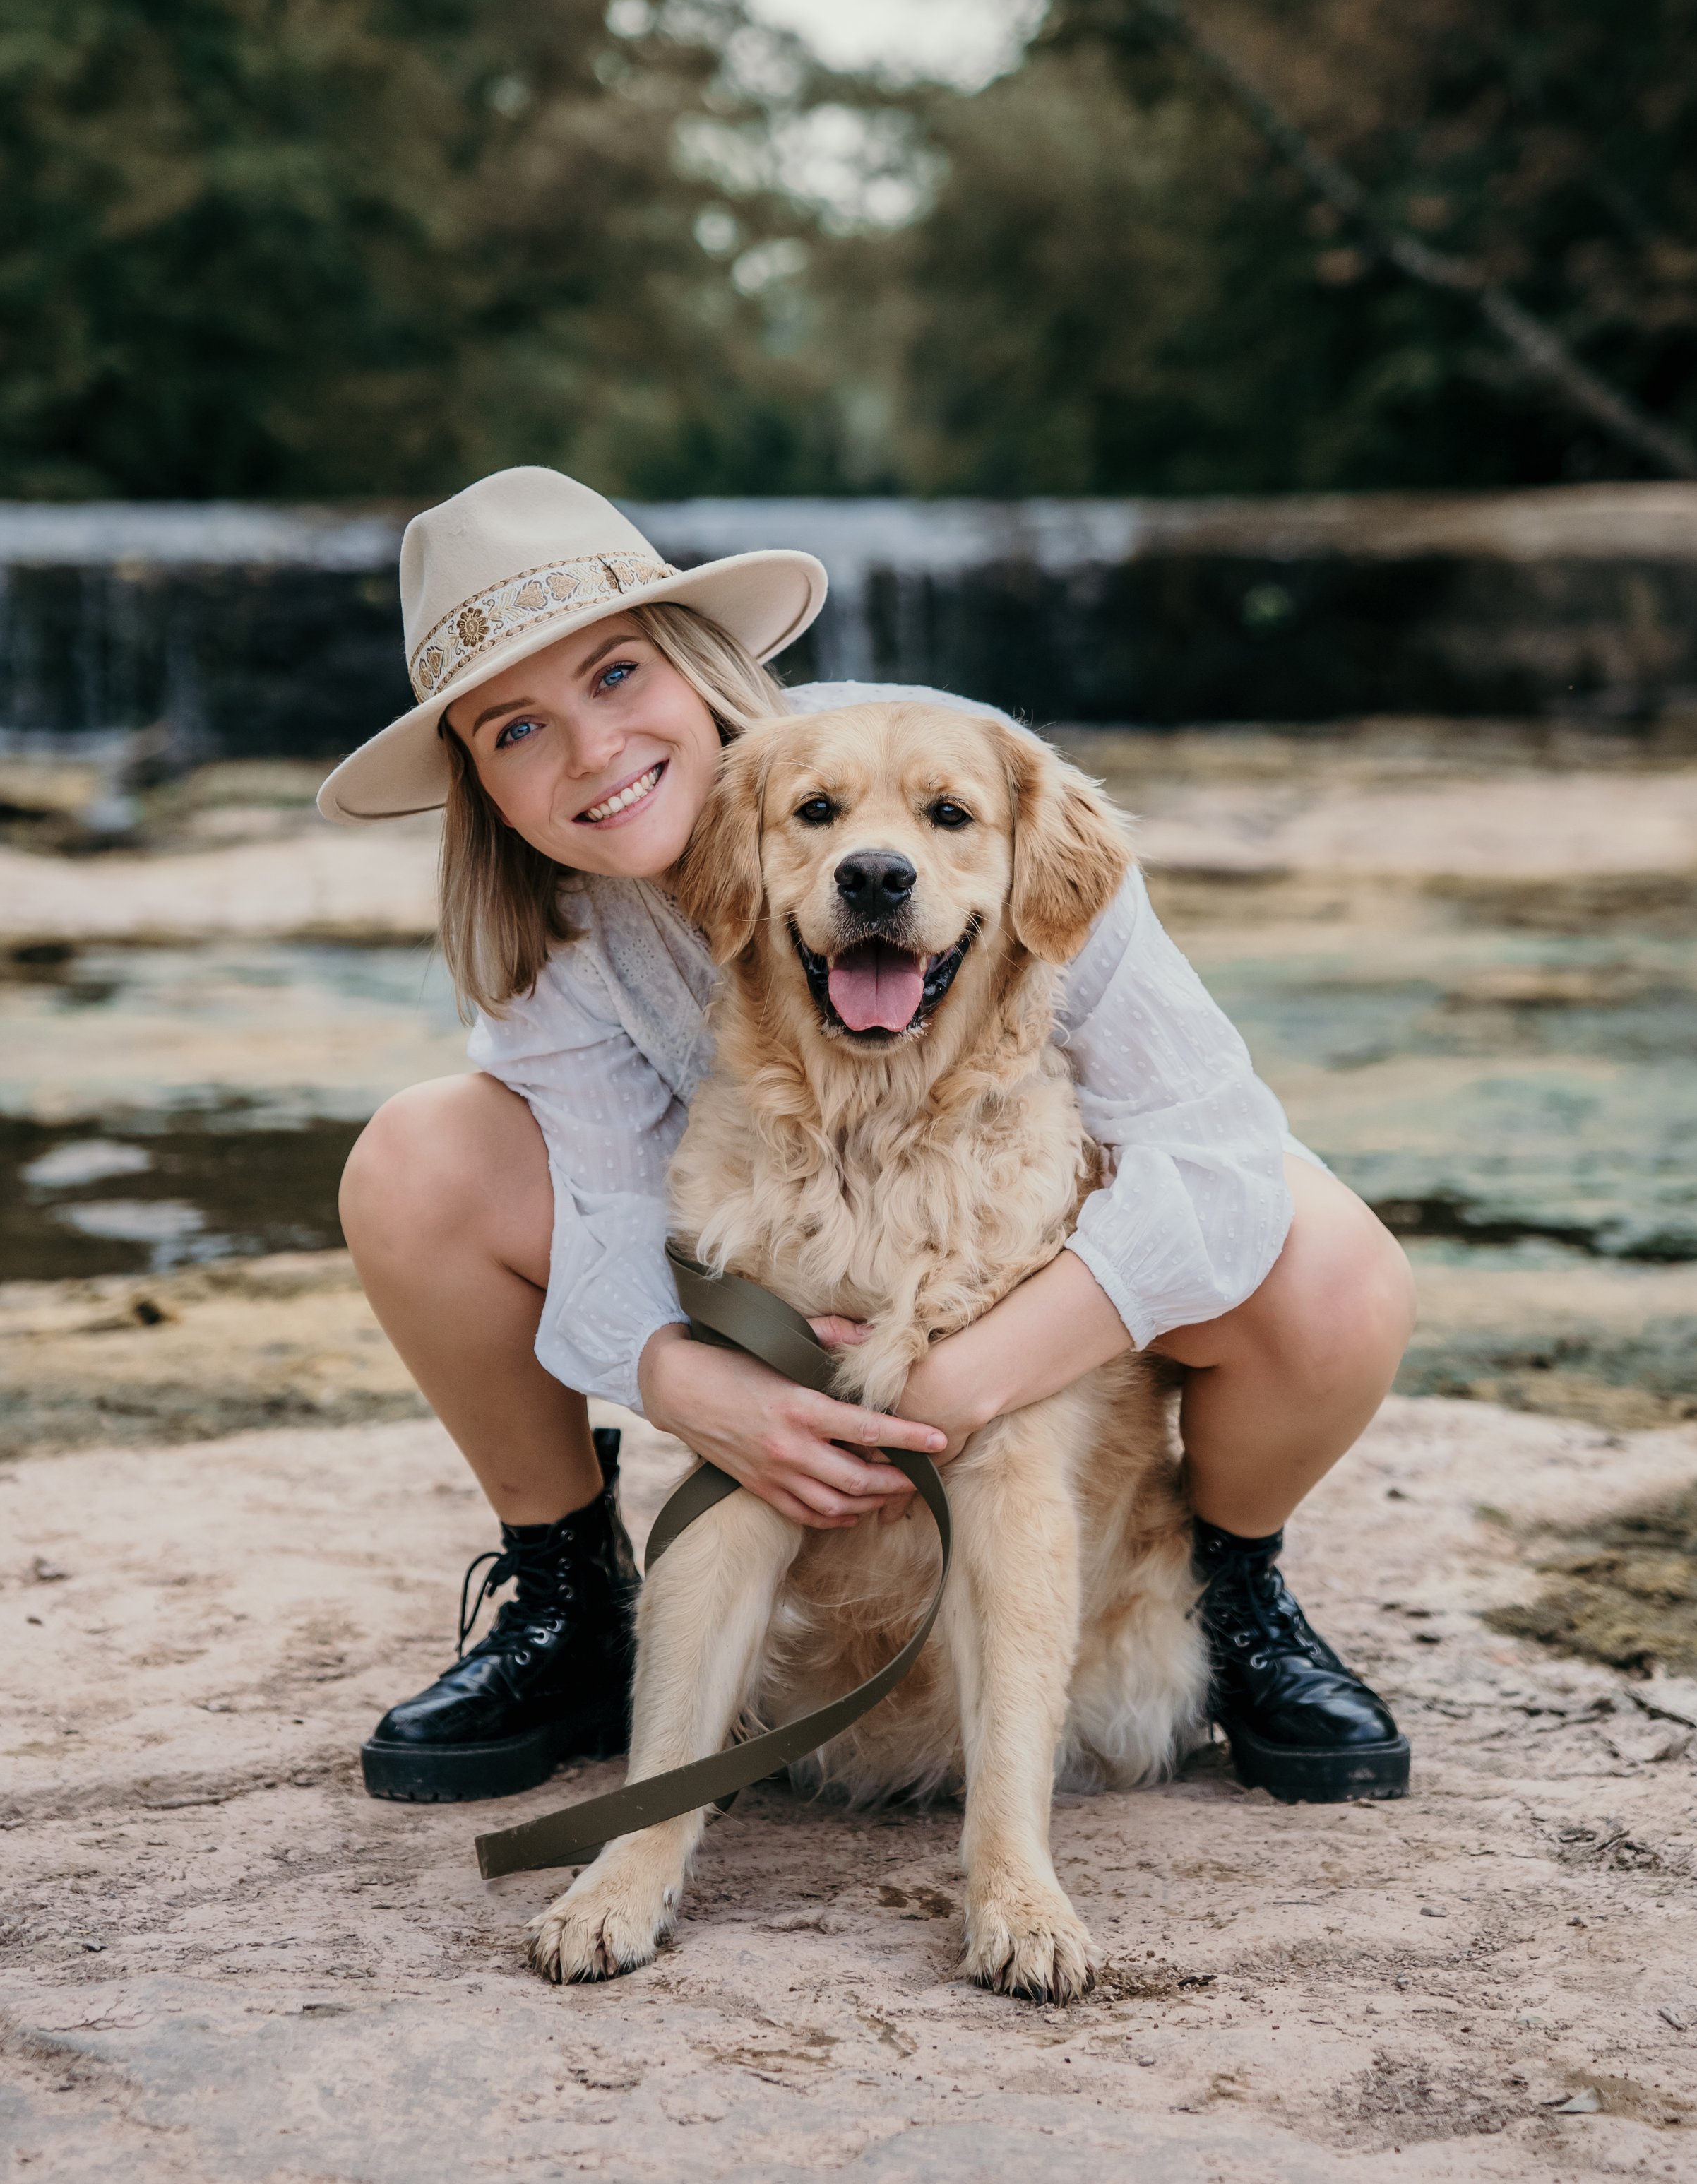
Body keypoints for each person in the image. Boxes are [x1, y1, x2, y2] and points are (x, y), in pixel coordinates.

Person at [322, 468, 1417, 1812]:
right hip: (759, 1265)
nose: (592, 750)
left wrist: (959, 1387)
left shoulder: (953, 788)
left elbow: (1217, 1150)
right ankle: (569, 1604)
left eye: (615, 677)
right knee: (417, 1158)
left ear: (698, 660)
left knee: (1334, 1270)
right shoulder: (555, 930)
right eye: (516, 730)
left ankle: (1231, 1593)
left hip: (984, 1247)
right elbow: (608, 1211)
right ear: (482, 783)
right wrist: (686, 1384)